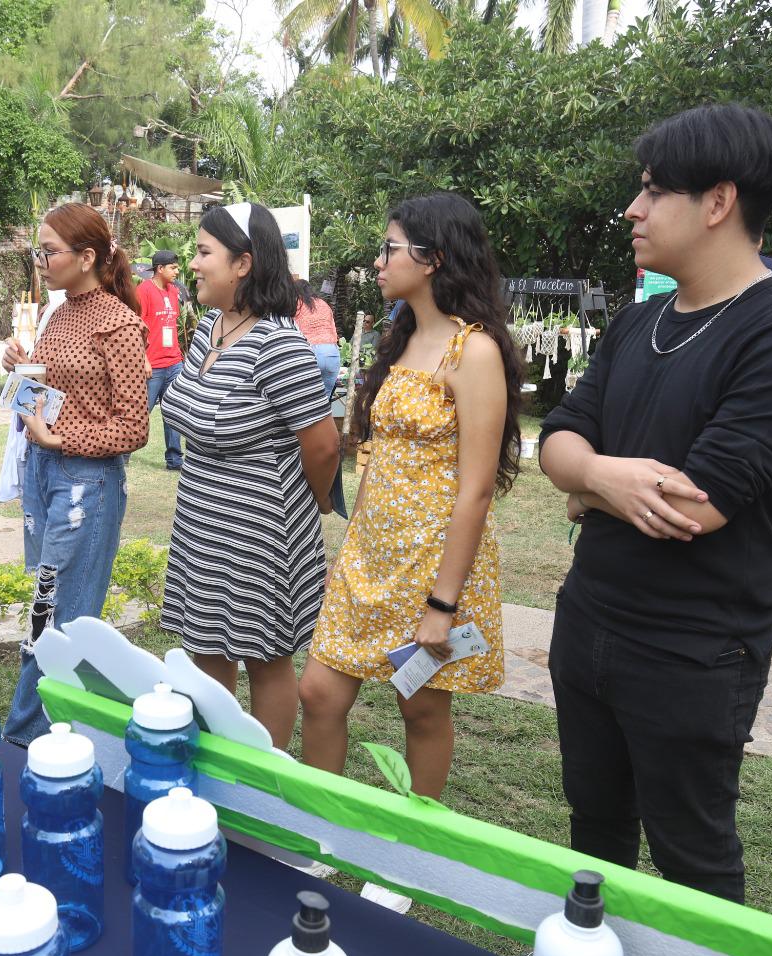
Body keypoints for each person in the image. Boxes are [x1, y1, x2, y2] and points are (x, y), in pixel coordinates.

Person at [536, 105, 772, 956]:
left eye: (654, 189)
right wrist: (595, 473)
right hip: (589, 622)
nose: (633, 207)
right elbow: (557, 437)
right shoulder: (640, 323)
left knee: (693, 853)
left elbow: (694, 506)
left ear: (718, 201)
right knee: (594, 829)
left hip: (695, 648)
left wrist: (591, 483)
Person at [299, 195, 518, 910]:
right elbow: (379, 464)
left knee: (419, 709)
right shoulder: (398, 341)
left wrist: (442, 605)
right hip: (369, 561)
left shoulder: (473, 349)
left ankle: (409, 858)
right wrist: (351, 549)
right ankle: (323, 836)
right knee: (319, 692)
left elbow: (477, 491)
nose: (378, 261)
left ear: (436, 258)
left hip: (433, 573)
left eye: (391, 248)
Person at [162, 201, 340, 750]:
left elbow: (323, 443)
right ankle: (218, 763)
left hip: (260, 531)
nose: (192, 264)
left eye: (202, 252)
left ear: (242, 263)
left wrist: (307, 505)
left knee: (266, 659)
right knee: (207, 649)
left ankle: (263, 778)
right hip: (203, 521)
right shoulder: (211, 330)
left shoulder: (279, 344)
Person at [0, 202, 150, 743]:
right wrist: (20, 371)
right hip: (46, 476)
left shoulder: (119, 324)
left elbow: (134, 428)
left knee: (60, 619)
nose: (41, 260)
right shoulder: (60, 313)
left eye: (49, 251)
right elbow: (58, 396)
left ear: (86, 257)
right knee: (50, 605)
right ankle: (55, 730)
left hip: (85, 483)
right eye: (39, 250)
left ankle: (22, 737)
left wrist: (61, 439)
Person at [137, 249, 186, 469]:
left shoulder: (174, 292)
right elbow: (137, 328)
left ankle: (174, 460)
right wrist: (144, 359)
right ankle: (121, 453)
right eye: (173, 267)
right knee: (141, 410)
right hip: (152, 364)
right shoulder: (143, 291)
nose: (177, 271)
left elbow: (172, 325)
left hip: (174, 362)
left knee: (174, 410)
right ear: (160, 268)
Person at [292, 277, 342, 395]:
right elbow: (334, 332)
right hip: (332, 353)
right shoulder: (324, 304)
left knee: (306, 399)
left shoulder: (296, 304)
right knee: (325, 401)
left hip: (309, 352)